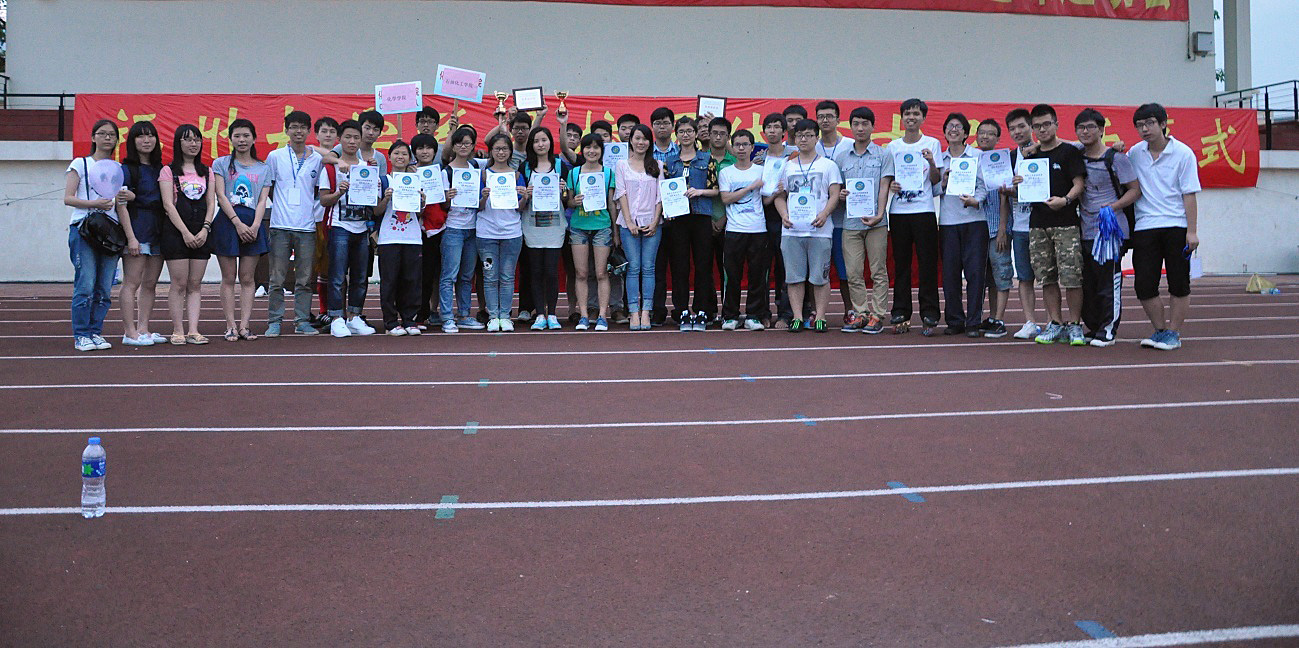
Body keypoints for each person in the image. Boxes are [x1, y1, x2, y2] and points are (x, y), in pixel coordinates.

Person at [1128, 102, 1201, 351]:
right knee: (1144, 285)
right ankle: (1160, 330)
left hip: (1176, 225)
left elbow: (1189, 194)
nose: (1144, 129)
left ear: (1162, 124)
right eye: (1139, 125)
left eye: (1149, 123)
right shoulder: (1134, 153)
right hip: (1145, 226)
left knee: (1179, 282)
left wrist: (1192, 231)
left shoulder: (1183, 153)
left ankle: (1174, 333)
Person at [1075, 108, 1142, 346]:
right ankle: (1093, 326)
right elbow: (1057, 142)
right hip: (1084, 230)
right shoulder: (1077, 155)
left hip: (1109, 231)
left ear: (1102, 130)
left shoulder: (1117, 159)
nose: (1085, 131)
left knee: (1108, 282)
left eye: (1090, 127)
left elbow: (1135, 190)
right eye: (1080, 127)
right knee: (1088, 283)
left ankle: (1108, 328)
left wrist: (1113, 207)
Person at [1024, 104, 1087, 346]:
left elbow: (1079, 184)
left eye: (1046, 124)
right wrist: (1019, 183)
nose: (1042, 129)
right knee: (1046, 278)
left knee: (1072, 277)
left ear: (1056, 124)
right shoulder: (1030, 156)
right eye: (1037, 126)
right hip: (1038, 224)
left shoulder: (1069, 151)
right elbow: (1024, 189)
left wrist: (1066, 200)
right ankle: (1055, 322)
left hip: (1066, 224)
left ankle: (1075, 325)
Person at [774, 118, 843, 333]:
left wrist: (824, 214)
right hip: (792, 231)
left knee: (820, 277)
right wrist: (784, 215)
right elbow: (779, 196)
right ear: (794, 139)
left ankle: (820, 316)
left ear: (816, 138)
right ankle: (797, 316)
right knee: (794, 277)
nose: (803, 139)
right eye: (799, 136)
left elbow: (834, 194)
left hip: (820, 230)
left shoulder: (828, 165)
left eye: (808, 135)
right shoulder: (787, 166)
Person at [63, 119, 126, 351]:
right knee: (86, 285)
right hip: (84, 229)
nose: (107, 138)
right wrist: (94, 204)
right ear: (93, 137)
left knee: (105, 288)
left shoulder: (117, 168)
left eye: (112, 135)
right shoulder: (80, 164)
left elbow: (120, 202)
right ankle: (81, 334)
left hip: (109, 232)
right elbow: (68, 198)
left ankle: (95, 332)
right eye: (102, 133)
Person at [831, 106, 893, 334]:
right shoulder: (841, 157)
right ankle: (860, 313)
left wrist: (880, 213)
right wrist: (841, 194)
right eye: (856, 124)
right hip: (850, 223)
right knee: (853, 272)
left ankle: (877, 315)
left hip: (877, 222)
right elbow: (837, 188)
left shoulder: (883, 154)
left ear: (873, 127)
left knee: (878, 271)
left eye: (865, 124)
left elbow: (884, 186)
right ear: (850, 126)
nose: (860, 128)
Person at [885, 98, 944, 335]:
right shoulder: (892, 146)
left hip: (924, 211)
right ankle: (901, 311)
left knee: (927, 264)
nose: (911, 117)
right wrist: (892, 185)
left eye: (916, 114)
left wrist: (931, 162)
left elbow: (936, 180)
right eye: (907, 113)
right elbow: (887, 179)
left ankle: (929, 313)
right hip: (899, 212)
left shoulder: (932, 143)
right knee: (901, 264)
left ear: (923, 118)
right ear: (901, 118)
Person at [211, 119, 273, 342]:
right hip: (228, 223)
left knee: (247, 278)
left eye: (246, 135)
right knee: (228, 278)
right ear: (230, 139)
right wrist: (237, 223)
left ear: (254, 138)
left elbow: (262, 200)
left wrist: (255, 226)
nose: (242, 140)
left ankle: (245, 326)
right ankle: (230, 326)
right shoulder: (221, 163)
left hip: (253, 224)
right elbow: (220, 195)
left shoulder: (263, 168)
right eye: (237, 136)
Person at [263, 110, 323, 337]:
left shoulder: (316, 159)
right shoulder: (275, 156)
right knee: (276, 279)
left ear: (309, 131)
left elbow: (317, 190)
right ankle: (274, 321)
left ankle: (302, 321)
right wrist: (282, 206)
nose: (298, 131)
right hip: (280, 226)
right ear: (286, 130)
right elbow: (269, 188)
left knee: (305, 280)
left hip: (306, 227)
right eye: (294, 127)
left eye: (303, 127)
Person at [318, 119, 378, 337]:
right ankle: (336, 318)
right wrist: (339, 193)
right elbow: (324, 200)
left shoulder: (368, 168)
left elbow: (374, 202)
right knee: (337, 276)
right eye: (348, 137)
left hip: (362, 228)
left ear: (361, 140)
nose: (352, 141)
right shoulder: (331, 168)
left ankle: (354, 317)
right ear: (339, 140)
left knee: (360, 277)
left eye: (356, 138)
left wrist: (375, 190)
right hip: (339, 226)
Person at [157, 123, 216, 345]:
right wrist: (185, 233)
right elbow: (168, 205)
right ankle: (177, 330)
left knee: (195, 284)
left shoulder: (207, 171)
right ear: (178, 143)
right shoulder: (168, 171)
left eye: (197, 139)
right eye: (188, 139)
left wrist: (205, 228)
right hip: (176, 233)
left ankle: (193, 330)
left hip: (201, 232)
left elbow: (211, 203)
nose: (193, 144)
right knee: (179, 283)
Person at [936, 112, 989, 337]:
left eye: (958, 126)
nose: (954, 130)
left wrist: (977, 200)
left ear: (966, 133)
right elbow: (931, 189)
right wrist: (943, 183)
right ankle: (955, 320)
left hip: (975, 220)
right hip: (948, 222)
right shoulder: (939, 160)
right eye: (950, 126)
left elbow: (985, 185)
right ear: (945, 132)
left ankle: (974, 322)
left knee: (975, 273)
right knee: (950, 274)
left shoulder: (977, 156)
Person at [115, 120, 167, 346]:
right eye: (140, 136)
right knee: (131, 283)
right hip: (137, 231)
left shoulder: (161, 169)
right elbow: (121, 205)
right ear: (132, 141)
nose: (147, 140)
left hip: (158, 232)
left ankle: (143, 328)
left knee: (150, 283)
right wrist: (131, 238)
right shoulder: (126, 170)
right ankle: (129, 332)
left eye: (151, 135)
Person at [662, 117, 716, 331]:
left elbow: (717, 189)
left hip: (701, 216)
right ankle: (682, 310)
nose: (686, 135)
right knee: (679, 266)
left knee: (703, 265)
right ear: (676, 135)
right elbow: (665, 191)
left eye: (689, 131)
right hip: (678, 219)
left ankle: (702, 310)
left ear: (696, 134)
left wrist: (699, 191)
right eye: (682, 131)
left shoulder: (707, 159)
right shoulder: (670, 162)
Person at [718, 129, 770, 330]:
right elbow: (726, 198)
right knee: (732, 275)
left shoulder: (761, 171)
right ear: (733, 147)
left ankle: (753, 315)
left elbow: (766, 199)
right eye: (737, 145)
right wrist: (749, 188)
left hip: (758, 229)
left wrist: (777, 191)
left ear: (751, 147)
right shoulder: (726, 172)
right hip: (734, 229)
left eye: (745, 144)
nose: (741, 148)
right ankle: (730, 315)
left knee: (757, 275)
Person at [566, 133, 618, 331]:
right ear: (583, 150)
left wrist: (615, 232)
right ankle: (584, 316)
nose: (592, 151)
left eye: (596, 147)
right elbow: (569, 202)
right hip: (579, 227)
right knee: (581, 273)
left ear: (601, 151)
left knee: (601, 273)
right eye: (588, 147)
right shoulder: (574, 173)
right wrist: (574, 201)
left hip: (602, 226)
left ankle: (602, 316)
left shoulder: (608, 173)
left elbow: (611, 204)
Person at [476, 133, 527, 332]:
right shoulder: (483, 175)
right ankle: (493, 316)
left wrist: (524, 197)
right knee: (490, 276)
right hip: (486, 233)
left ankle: (505, 316)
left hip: (511, 233)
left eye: (505, 149)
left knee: (507, 277)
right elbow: (478, 207)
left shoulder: (516, 175)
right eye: (497, 149)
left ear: (510, 152)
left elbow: (520, 208)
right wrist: (483, 197)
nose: (501, 152)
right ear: (491, 151)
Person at [614, 124, 664, 331]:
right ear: (630, 140)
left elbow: (660, 196)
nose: (641, 142)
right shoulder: (621, 165)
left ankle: (646, 312)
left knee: (649, 268)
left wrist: (655, 221)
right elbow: (621, 193)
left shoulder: (657, 165)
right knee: (633, 268)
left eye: (644, 139)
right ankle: (634, 311)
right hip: (629, 225)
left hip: (652, 223)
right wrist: (629, 222)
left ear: (650, 142)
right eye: (637, 138)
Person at [521, 126, 568, 330]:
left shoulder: (560, 166)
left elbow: (568, 199)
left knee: (551, 271)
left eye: (544, 140)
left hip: (555, 227)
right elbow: (520, 200)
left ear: (550, 142)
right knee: (536, 271)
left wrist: (563, 191)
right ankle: (540, 314)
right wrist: (526, 194)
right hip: (532, 226)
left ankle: (553, 314)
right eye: (536, 141)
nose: (540, 144)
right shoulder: (525, 167)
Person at [376, 140, 425, 335]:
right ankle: (390, 322)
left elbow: (419, 213)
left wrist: (422, 202)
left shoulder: (416, 181)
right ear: (389, 157)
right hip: (389, 238)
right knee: (389, 282)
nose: (400, 157)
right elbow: (376, 211)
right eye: (396, 153)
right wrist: (386, 198)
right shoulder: (383, 181)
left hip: (412, 238)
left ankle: (409, 320)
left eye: (404, 154)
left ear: (410, 158)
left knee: (411, 281)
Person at [1004, 108, 1043, 339]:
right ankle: (1030, 322)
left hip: (1044, 224)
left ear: (1032, 127)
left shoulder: (1046, 151)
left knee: (1049, 278)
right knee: (1025, 277)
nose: (1017, 132)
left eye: (1021, 126)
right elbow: (1005, 194)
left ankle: (1057, 321)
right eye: (1012, 128)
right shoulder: (1009, 158)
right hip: (1019, 226)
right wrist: (1010, 190)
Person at [814, 100, 853, 324]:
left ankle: (850, 310)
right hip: (816, 220)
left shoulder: (850, 145)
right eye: (821, 116)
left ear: (838, 119)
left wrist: (849, 194)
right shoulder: (811, 144)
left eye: (829, 116)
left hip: (843, 220)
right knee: (816, 270)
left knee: (846, 270)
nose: (825, 120)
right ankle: (815, 313)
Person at [974, 118, 1014, 339]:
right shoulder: (972, 160)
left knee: (1001, 273)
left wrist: (1002, 229)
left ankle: (999, 319)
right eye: (982, 132)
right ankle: (991, 317)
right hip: (976, 228)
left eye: (990, 133)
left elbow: (1005, 198)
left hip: (997, 228)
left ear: (998, 138)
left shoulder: (1003, 162)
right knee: (987, 277)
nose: (985, 136)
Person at [758, 113, 796, 328]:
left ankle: (785, 313)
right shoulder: (758, 159)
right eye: (768, 127)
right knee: (762, 268)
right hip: (761, 219)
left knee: (785, 267)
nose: (772, 131)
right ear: (763, 132)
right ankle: (763, 312)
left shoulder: (794, 157)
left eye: (776, 127)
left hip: (787, 218)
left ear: (784, 131)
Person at [411, 134, 447, 329]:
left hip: (436, 229)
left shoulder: (441, 173)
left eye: (429, 148)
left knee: (432, 274)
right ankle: (414, 312)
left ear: (435, 151)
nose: (425, 152)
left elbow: (445, 204)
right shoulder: (408, 173)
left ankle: (428, 311)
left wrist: (448, 197)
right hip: (413, 229)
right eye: (420, 148)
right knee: (416, 274)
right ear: (414, 152)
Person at [647, 106, 678, 327]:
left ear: (673, 126)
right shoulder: (646, 154)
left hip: (678, 218)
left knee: (678, 266)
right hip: (654, 218)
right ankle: (657, 309)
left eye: (666, 122)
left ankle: (679, 308)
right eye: (657, 123)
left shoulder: (682, 150)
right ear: (652, 127)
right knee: (656, 267)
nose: (662, 127)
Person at [311, 116, 340, 328]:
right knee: (318, 266)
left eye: (332, 131)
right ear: (316, 134)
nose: (328, 135)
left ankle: (336, 311)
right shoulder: (311, 154)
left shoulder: (347, 155)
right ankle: (321, 310)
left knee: (334, 268)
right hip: (315, 217)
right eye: (324, 131)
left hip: (338, 219)